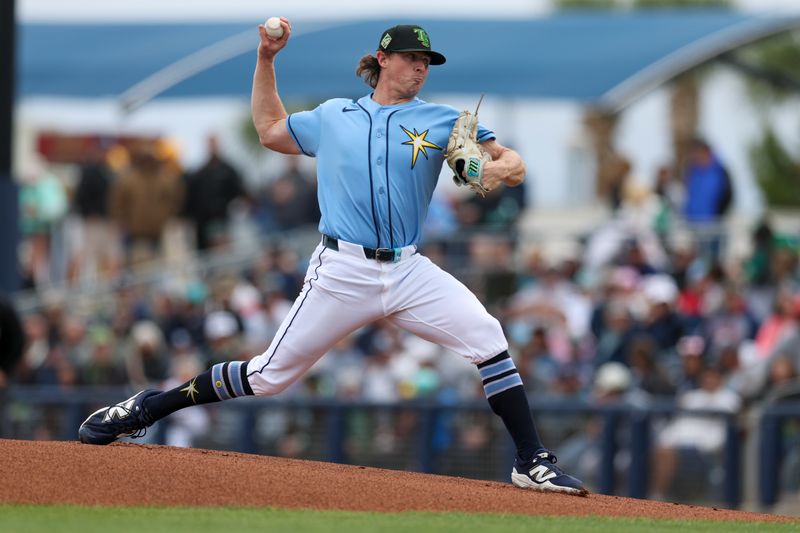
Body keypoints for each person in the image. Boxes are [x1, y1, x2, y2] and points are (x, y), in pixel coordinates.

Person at [78, 20, 586, 496]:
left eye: (427, 62)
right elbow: (270, 130)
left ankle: (530, 459)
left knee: (489, 338)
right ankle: (147, 406)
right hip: (343, 270)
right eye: (412, 58)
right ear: (383, 60)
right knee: (267, 377)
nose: (420, 68)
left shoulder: (444, 119)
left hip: (407, 268)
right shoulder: (334, 115)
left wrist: (495, 171)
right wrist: (266, 59)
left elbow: (512, 163)